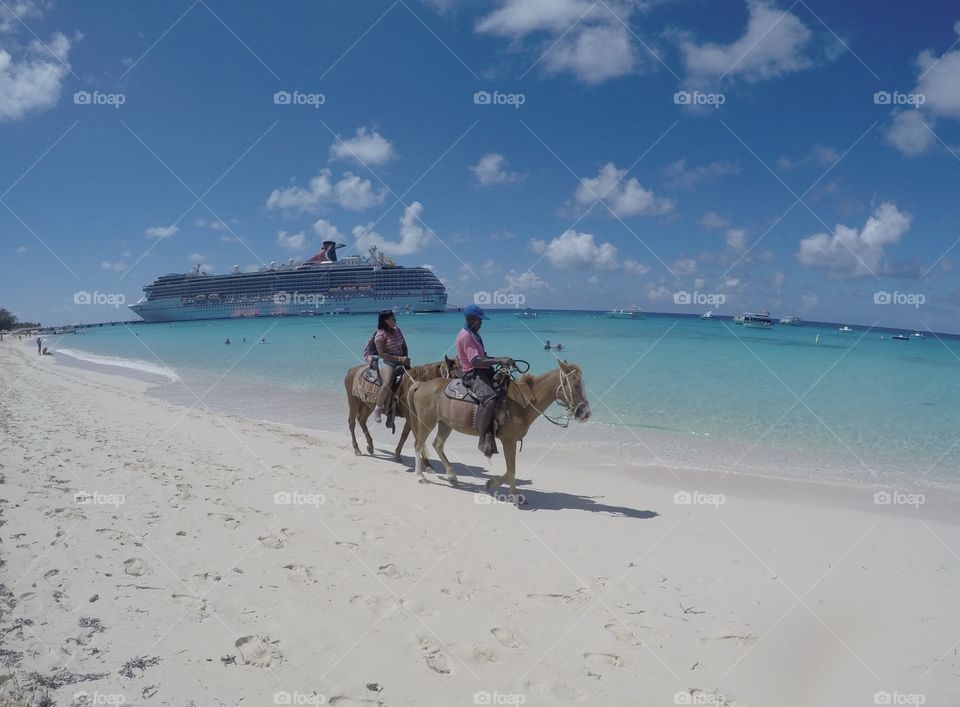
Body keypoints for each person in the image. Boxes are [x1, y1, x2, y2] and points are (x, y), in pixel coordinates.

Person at [455, 304, 514, 458]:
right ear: (471, 319)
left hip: (483, 370)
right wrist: (499, 359)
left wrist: (502, 361)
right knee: (491, 399)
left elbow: (483, 357)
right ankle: (482, 439)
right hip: (472, 374)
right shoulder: (466, 336)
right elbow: (475, 362)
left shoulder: (474, 333)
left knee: (506, 386)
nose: (482, 323)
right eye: (480, 320)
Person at [372, 310, 410, 423]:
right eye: (393, 319)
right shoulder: (380, 335)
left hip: (401, 359)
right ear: (386, 321)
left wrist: (405, 358)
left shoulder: (397, 330)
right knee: (388, 382)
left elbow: (404, 345)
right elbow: (382, 354)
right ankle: (378, 408)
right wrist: (399, 359)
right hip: (387, 361)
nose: (395, 320)